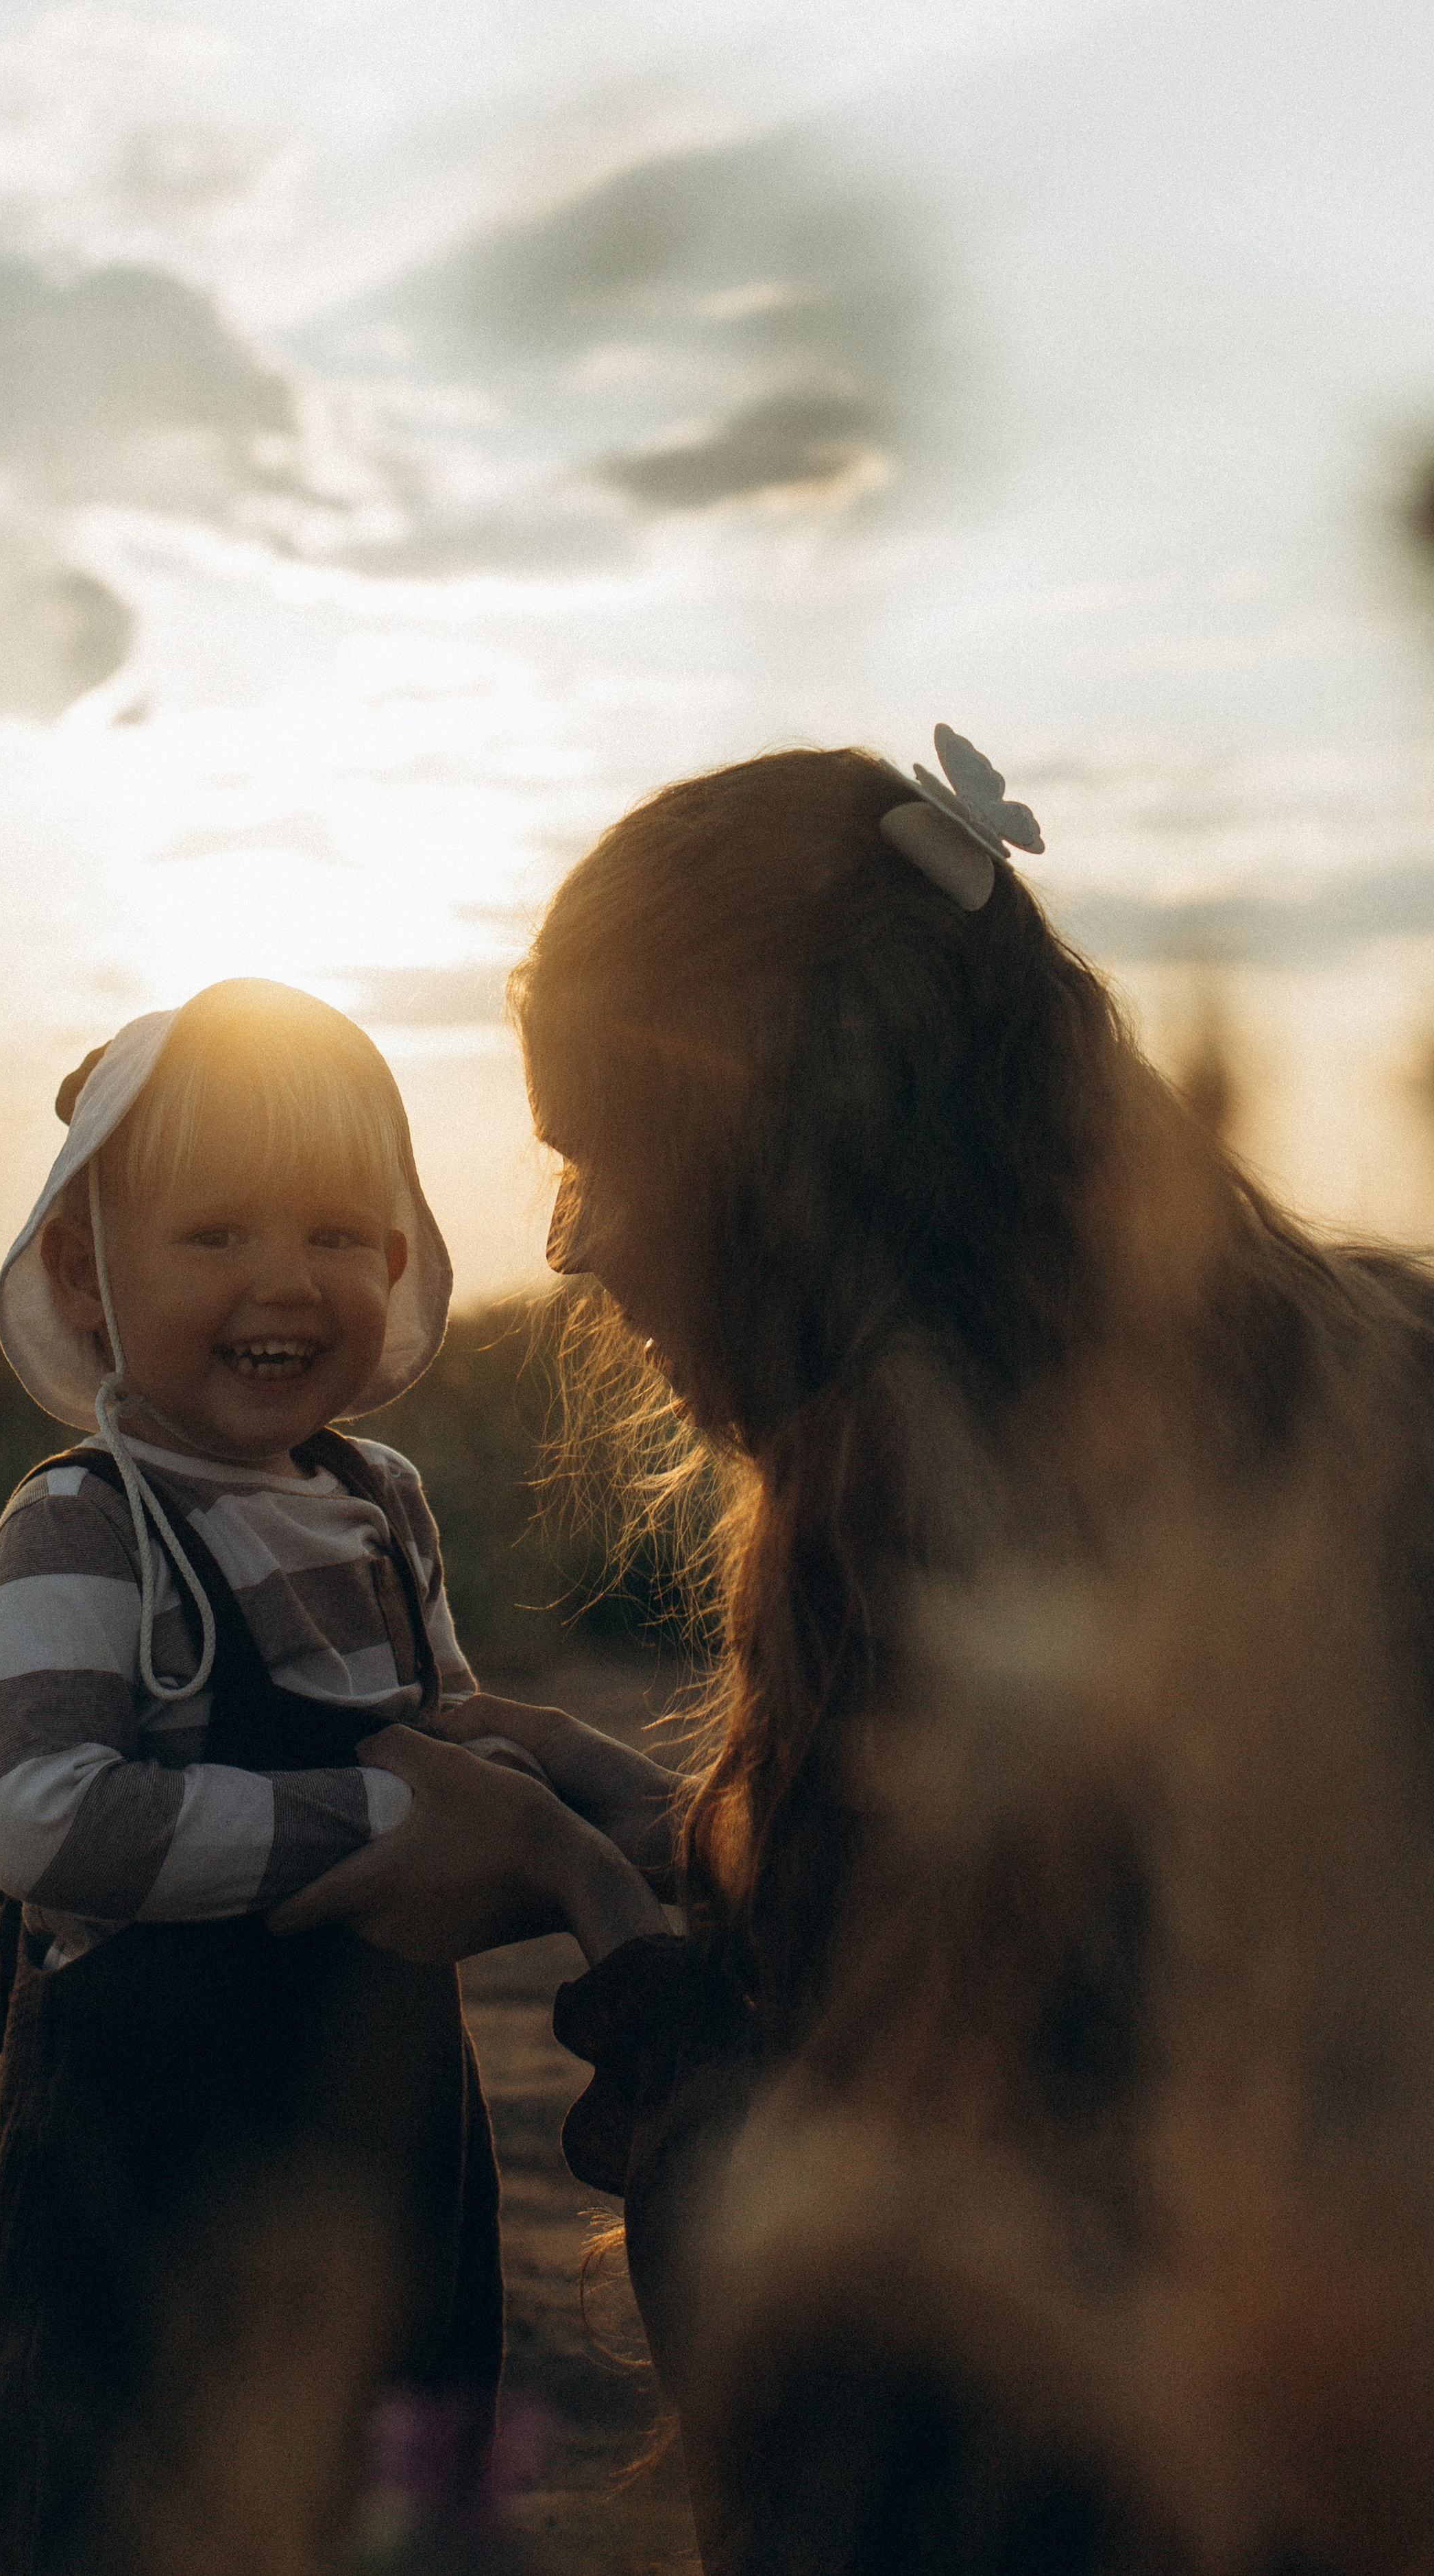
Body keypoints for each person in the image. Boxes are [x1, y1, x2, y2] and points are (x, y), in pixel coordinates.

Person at [271, 734, 1434, 2571]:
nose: (573, 1251)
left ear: (779, 1157)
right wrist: (683, 1829)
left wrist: (597, 1906)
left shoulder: (907, 1514)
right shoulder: (1364, 1364)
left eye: (605, 1162)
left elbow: (913, 2289)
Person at [0, 978, 603, 2576]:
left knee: (397, 2465)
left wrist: (593, 1804)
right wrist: (377, 1824)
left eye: (337, 1233)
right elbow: (41, 1811)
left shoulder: (378, 1501)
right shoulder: (87, 1526)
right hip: (151, 2145)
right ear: (82, 1275)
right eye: (216, 1234)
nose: (285, 1281)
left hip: (384, 2107)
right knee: (137, 2488)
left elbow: (437, 1732)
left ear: (397, 1261)